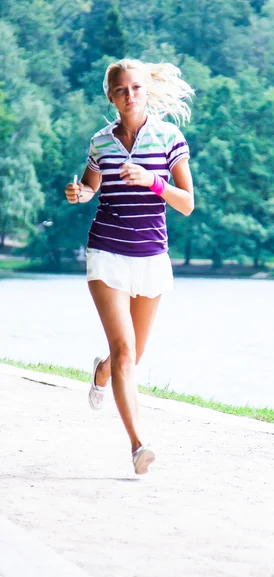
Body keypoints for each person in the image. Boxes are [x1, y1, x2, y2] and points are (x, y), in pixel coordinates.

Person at [65, 58, 194, 475]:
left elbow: (187, 203)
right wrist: (78, 193)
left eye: (136, 88)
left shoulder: (169, 137)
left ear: (146, 90)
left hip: (152, 256)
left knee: (131, 356)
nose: (130, 95)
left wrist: (153, 181)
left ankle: (102, 372)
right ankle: (139, 445)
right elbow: (90, 188)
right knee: (125, 350)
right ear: (111, 96)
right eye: (121, 90)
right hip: (107, 252)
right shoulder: (100, 142)